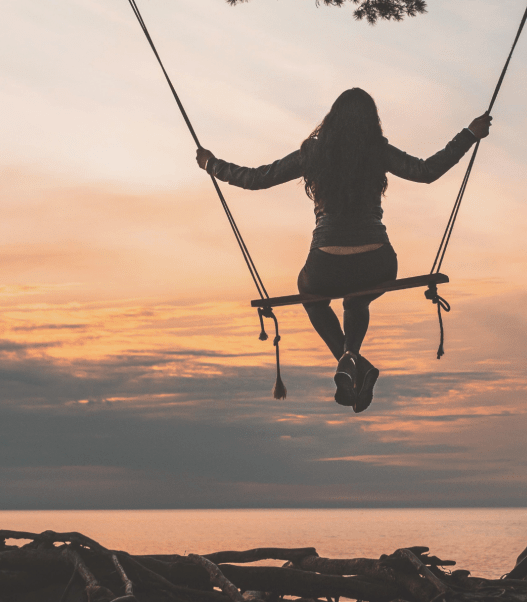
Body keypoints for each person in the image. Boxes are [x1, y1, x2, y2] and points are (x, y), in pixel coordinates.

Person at [196, 88, 491, 413]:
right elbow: (426, 171)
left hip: (326, 264)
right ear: (371, 122)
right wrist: (468, 135)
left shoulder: (313, 153)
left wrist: (212, 163)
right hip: (376, 260)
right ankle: (352, 358)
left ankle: (353, 361)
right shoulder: (376, 151)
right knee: (357, 296)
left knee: (312, 296)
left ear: (332, 119)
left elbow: (256, 179)